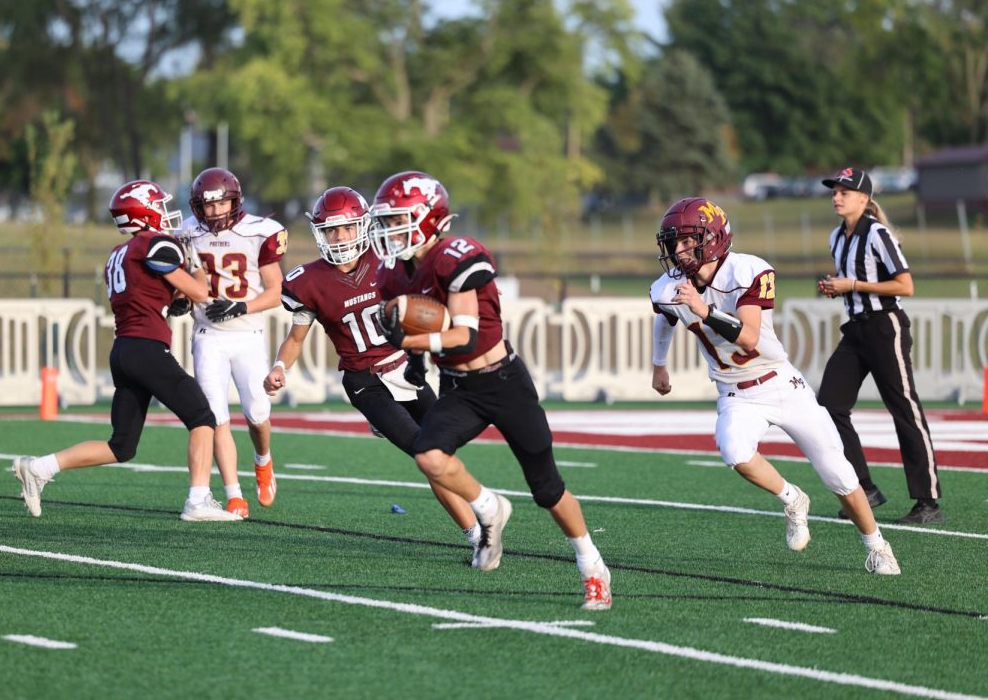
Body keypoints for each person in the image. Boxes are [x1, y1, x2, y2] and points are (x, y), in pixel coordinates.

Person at [369, 170, 612, 610]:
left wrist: (412, 341)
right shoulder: (394, 275)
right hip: (460, 388)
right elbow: (409, 330)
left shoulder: (455, 257)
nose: (388, 231)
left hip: (504, 381)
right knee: (429, 456)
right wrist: (411, 359)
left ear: (429, 218)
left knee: (548, 490)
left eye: (397, 220)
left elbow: (465, 336)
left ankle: (592, 565)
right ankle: (488, 508)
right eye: (385, 222)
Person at [649, 196, 899, 574]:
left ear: (713, 238)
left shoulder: (748, 271)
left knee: (839, 474)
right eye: (674, 243)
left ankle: (877, 544)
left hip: (781, 383)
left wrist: (705, 310)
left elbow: (748, 337)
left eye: (687, 240)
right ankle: (793, 498)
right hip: (735, 393)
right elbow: (664, 317)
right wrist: (659, 365)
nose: (679, 251)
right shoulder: (668, 288)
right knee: (733, 450)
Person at [264, 186, 482, 562]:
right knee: (426, 453)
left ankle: (480, 524)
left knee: (443, 451)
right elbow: (296, 338)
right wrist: (280, 366)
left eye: (347, 228)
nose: (340, 237)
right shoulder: (308, 282)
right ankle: (479, 535)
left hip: (405, 369)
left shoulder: (388, 262)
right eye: (331, 230)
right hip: (364, 379)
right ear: (320, 234)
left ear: (362, 227)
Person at [13, 180, 242, 522]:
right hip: (147, 348)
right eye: (158, 206)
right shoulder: (153, 243)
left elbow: (151, 295)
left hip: (123, 351)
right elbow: (198, 292)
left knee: (121, 446)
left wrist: (173, 301)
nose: (165, 214)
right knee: (202, 417)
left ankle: (40, 468)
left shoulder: (118, 254)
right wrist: (195, 265)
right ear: (144, 212)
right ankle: (198, 500)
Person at [816, 167, 942, 524]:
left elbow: (905, 286)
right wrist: (837, 288)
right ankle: (865, 489)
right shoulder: (836, 237)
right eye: (835, 191)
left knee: (904, 408)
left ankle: (927, 502)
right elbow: (851, 284)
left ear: (864, 198)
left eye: (845, 191)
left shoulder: (877, 234)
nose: (837, 196)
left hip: (886, 328)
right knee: (828, 405)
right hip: (856, 330)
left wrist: (853, 285)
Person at [177, 167, 285, 519]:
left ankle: (263, 460)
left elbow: (275, 293)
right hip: (208, 336)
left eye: (222, 204)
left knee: (257, 414)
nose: (215, 213)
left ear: (235, 201)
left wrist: (241, 305)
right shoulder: (188, 235)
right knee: (216, 417)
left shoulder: (259, 233)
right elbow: (181, 282)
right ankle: (234, 494)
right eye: (208, 206)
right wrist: (178, 298)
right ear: (197, 207)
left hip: (248, 334)